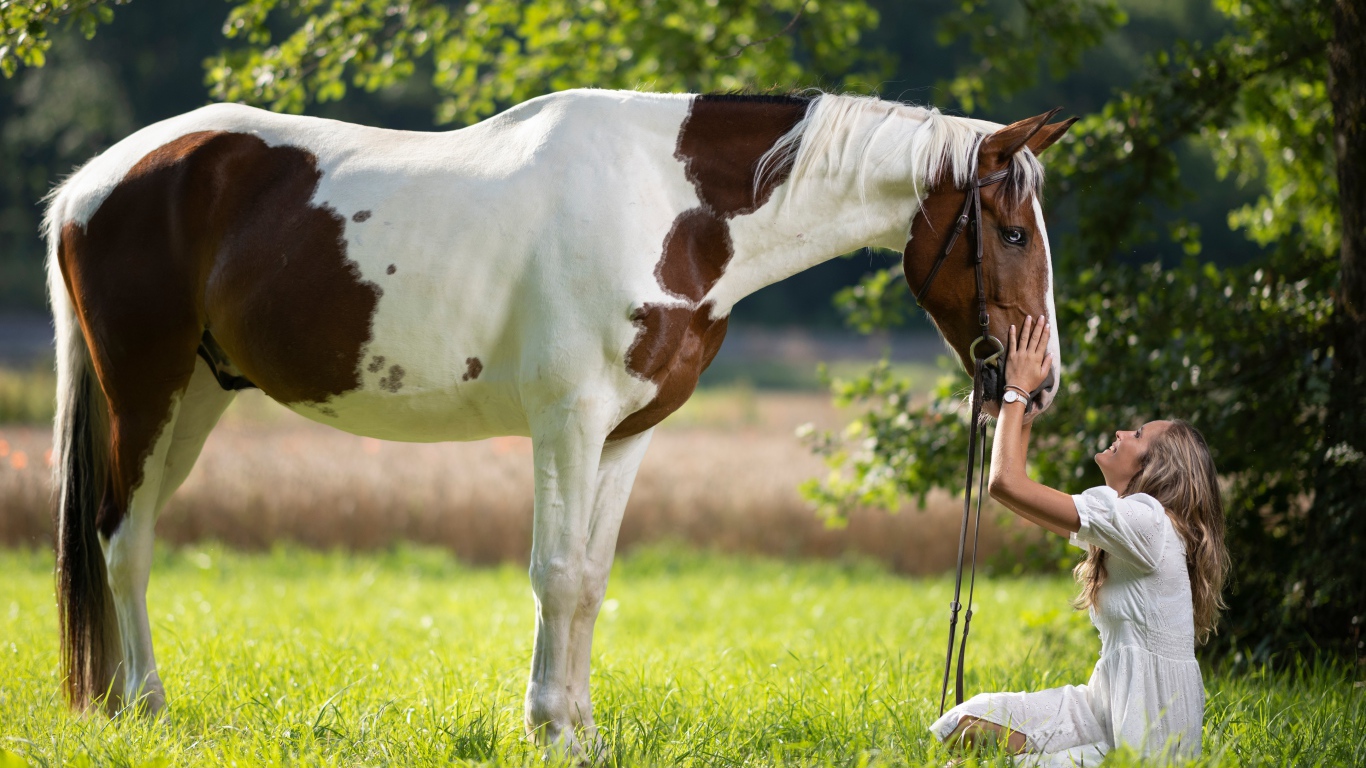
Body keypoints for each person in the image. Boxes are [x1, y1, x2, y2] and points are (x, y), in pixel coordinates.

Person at [929, 316, 1231, 766]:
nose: (1122, 433)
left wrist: (1015, 391)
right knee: (965, 726)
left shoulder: (1146, 521)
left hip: (1145, 741)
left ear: (1159, 467)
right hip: (1101, 708)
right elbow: (1016, 485)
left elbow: (1006, 484)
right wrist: (1022, 405)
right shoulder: (1136, 523)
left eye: (1139, 435)